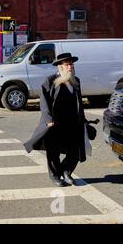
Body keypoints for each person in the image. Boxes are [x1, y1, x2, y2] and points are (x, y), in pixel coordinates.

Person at [24, 52, 88, 187]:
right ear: (60, 67)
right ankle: (55, 176)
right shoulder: (50, 81)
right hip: (56, 123)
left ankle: (66, 172)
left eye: (72, 64)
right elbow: (44, 102)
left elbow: (79, 103)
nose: (70, 67)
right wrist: (48, 120)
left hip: (73, 123)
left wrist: (83, 119)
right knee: (53, 151)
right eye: (67, 65)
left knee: (75, 152)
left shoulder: (76, 81)